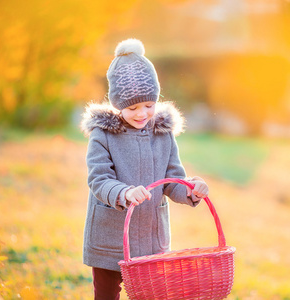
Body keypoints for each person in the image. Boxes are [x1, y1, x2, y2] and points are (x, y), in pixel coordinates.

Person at [80, 38, 209, 300]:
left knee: (151, 294)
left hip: (151, 237)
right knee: (106, 294)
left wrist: (191, 190)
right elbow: (99, 180)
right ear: (117, 104)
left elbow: (172, 181)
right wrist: (124, 193)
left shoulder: (163, 133)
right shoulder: (103, 135)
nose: (142, 114)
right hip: (111, 236)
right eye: (133, 108)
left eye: (149, 105)